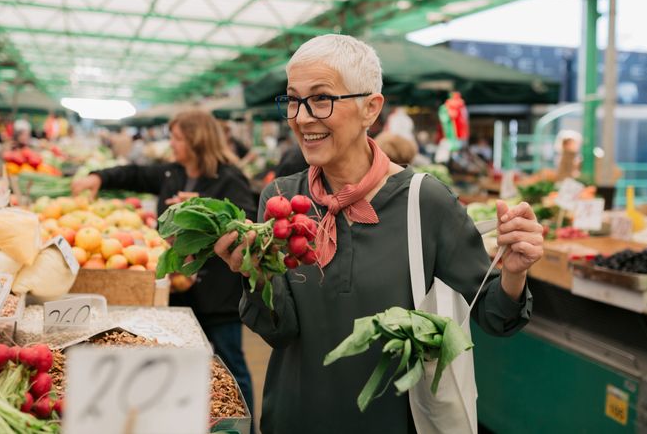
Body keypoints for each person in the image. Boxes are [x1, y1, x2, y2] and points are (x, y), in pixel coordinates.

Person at [214, 35, 544, 433]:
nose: (302, 118)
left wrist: (513, 272)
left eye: (321, 99)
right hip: (295, 415)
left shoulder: (424, 200)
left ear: (370, 108)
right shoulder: (282, 198)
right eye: (294, 100)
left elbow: (495, 316)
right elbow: (279, 328)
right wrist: (253, 273)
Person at [71, 109, 256, 413]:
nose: (171, 143)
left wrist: (198, 207)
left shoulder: (229, 177)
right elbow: (135, 174)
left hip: (219, 294)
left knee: (230, 364)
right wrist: (99, 177)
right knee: (190, 362)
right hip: (181, 290)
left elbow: (246, 222)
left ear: (197, 140)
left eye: (177, 138)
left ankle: (246, 424)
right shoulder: (173, 172)